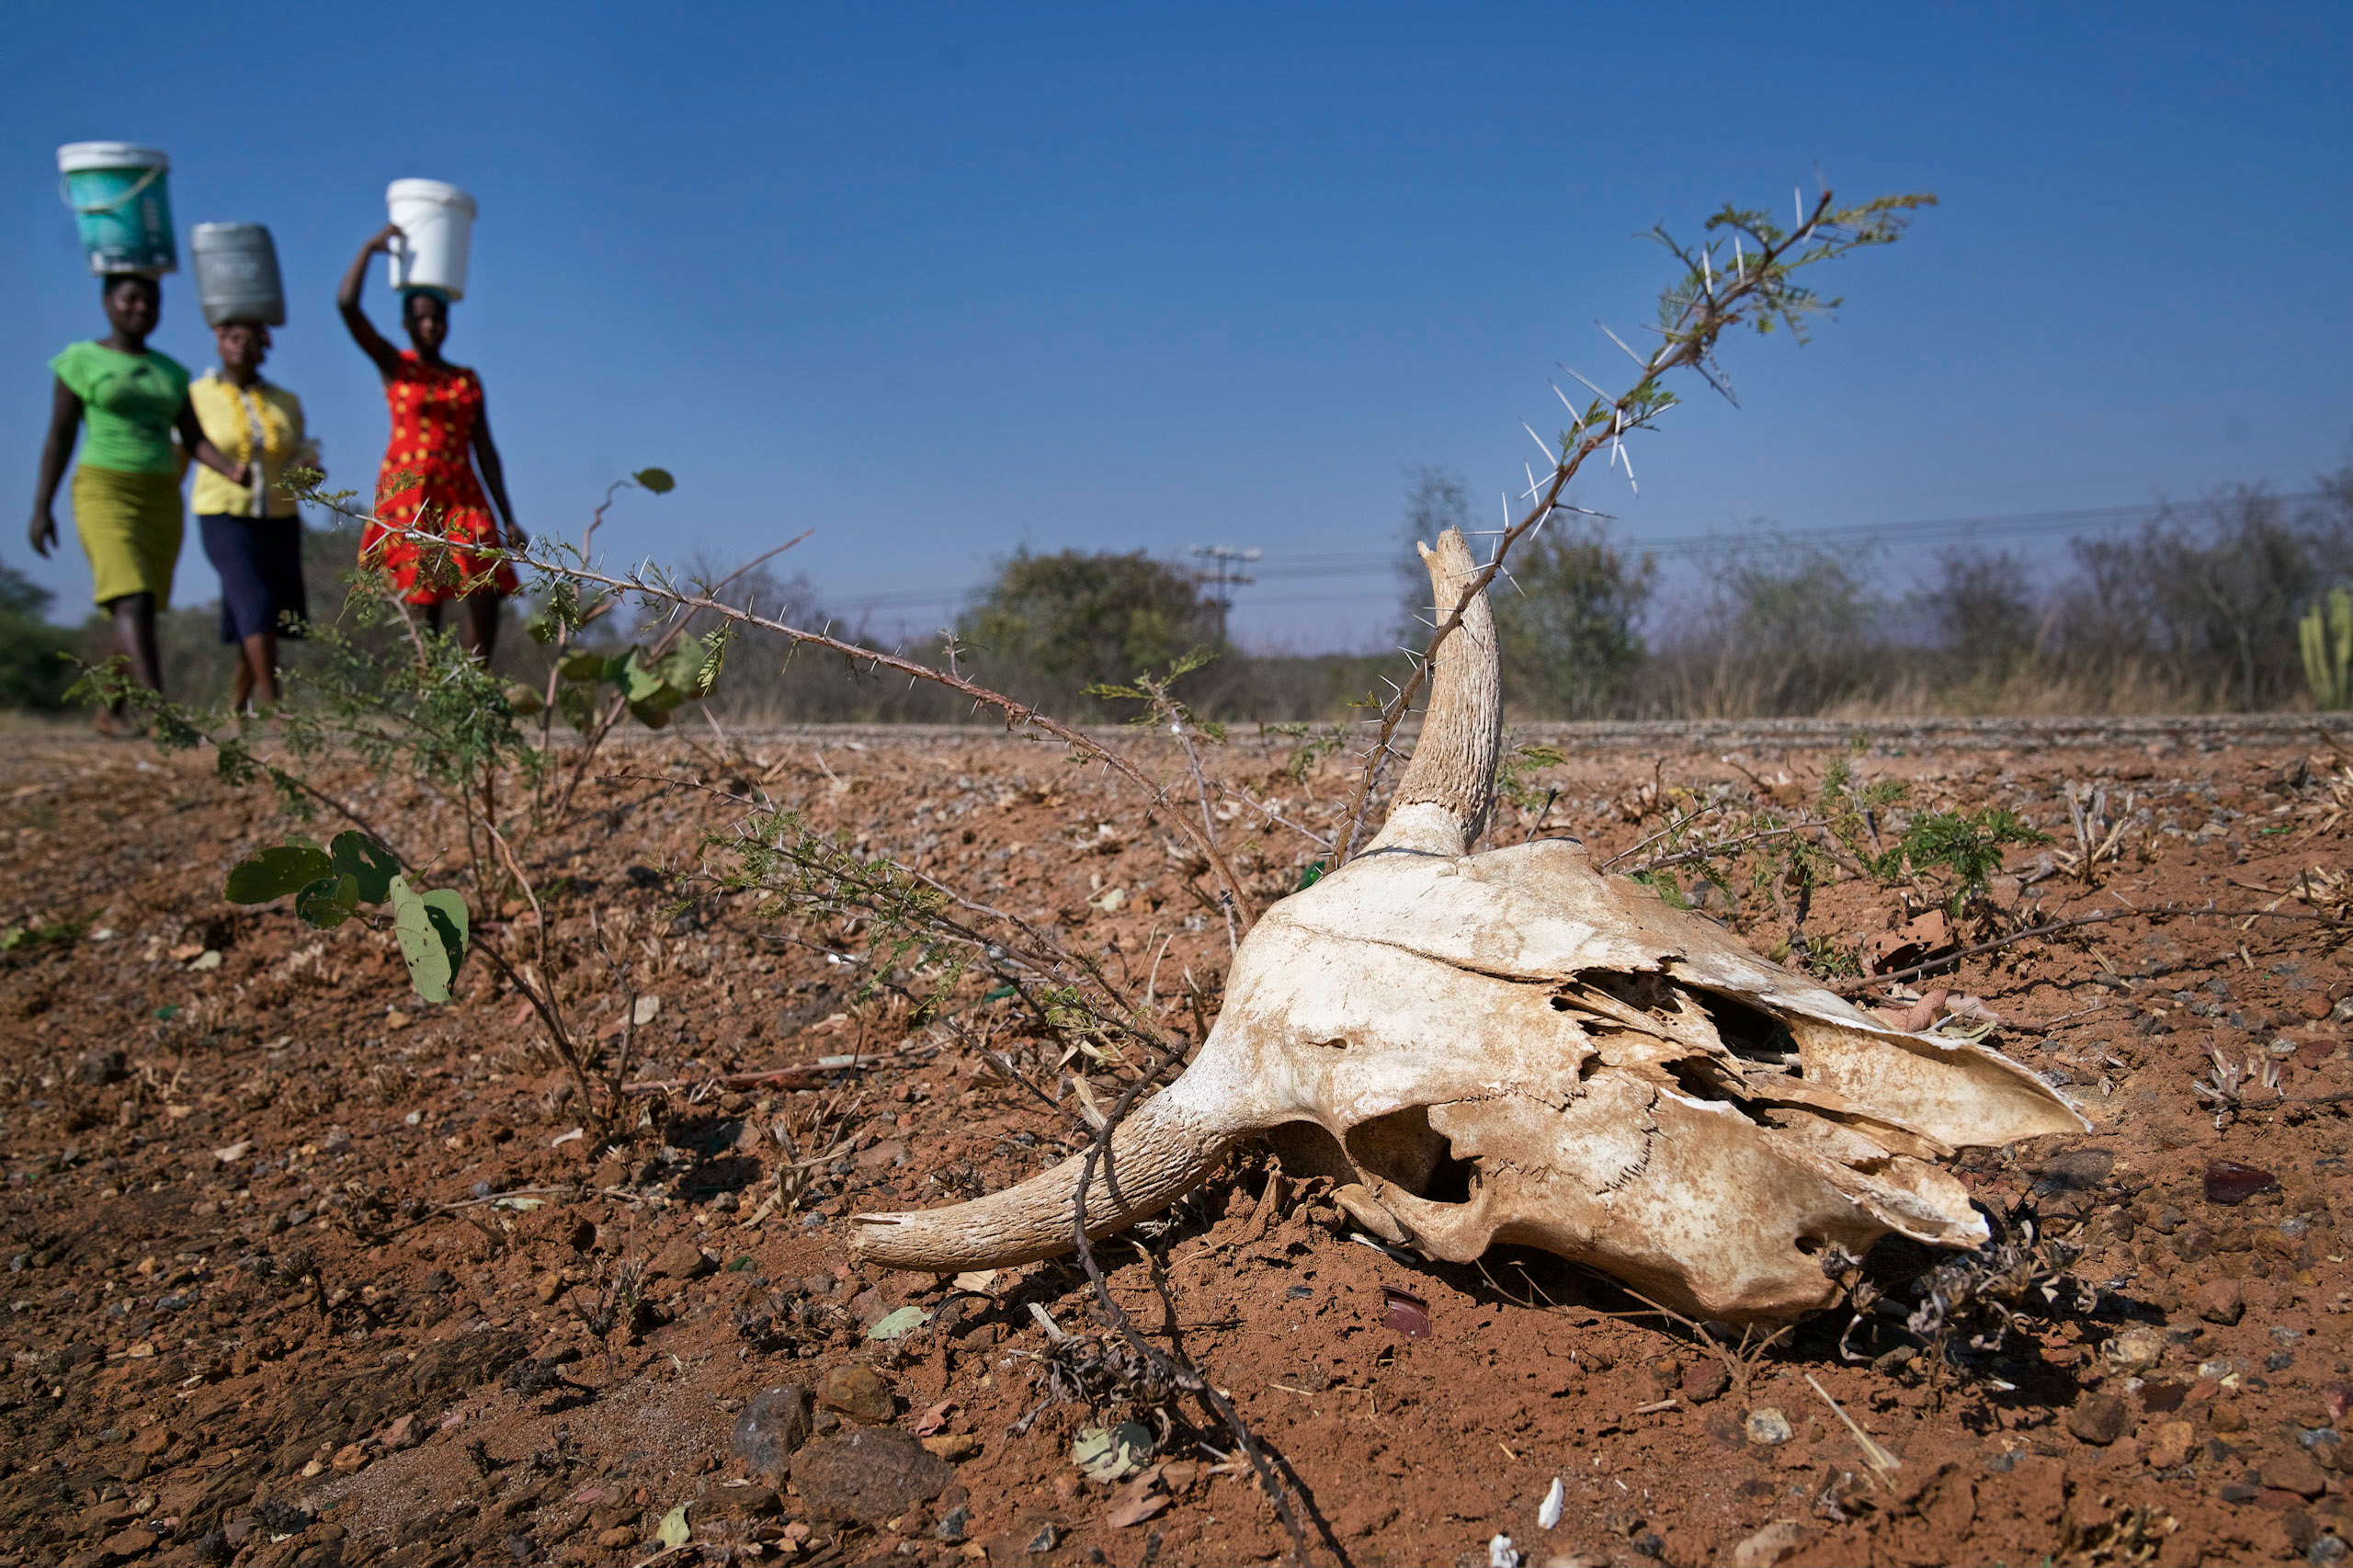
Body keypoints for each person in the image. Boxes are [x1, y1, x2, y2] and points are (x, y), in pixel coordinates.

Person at [28, 273, 249, 732]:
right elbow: (60, 437)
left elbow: (192, 437)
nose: (141, 309)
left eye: (151, 301)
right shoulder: (80, 360)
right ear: (107, 301)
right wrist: (42, 506)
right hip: (104, 488)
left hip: (161, 495)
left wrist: (228, 468)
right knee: (131, 597)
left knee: (141, 603)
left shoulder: (171, 372)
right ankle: (161, 714)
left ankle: (110, 712)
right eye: (130, 299)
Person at [336, 223, 525, 661]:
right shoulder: (395, 365)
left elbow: (486, 450)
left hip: (461, 490)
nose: (430, 325)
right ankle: (430, 687)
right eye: (420, 317)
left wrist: (508, 516)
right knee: (424, 590)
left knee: (486, 578)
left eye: (437, 317)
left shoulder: (466, 379)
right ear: (405, 323)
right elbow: (347, 305)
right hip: (411, 491)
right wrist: (368, 249)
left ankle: (473, 682)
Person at [189, 320, 319, 712]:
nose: (242, 347)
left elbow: (302, 450)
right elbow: (185, 447)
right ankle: (275, 710)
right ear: (218, 341)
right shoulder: (196, 395)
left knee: (264, 609)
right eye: (234, 338)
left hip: (279, 515)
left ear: (265, 347)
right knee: (254, 600)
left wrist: (308, 468)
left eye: (252, 340)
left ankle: (236, 709)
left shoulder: (286, 401)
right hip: (222, 513)